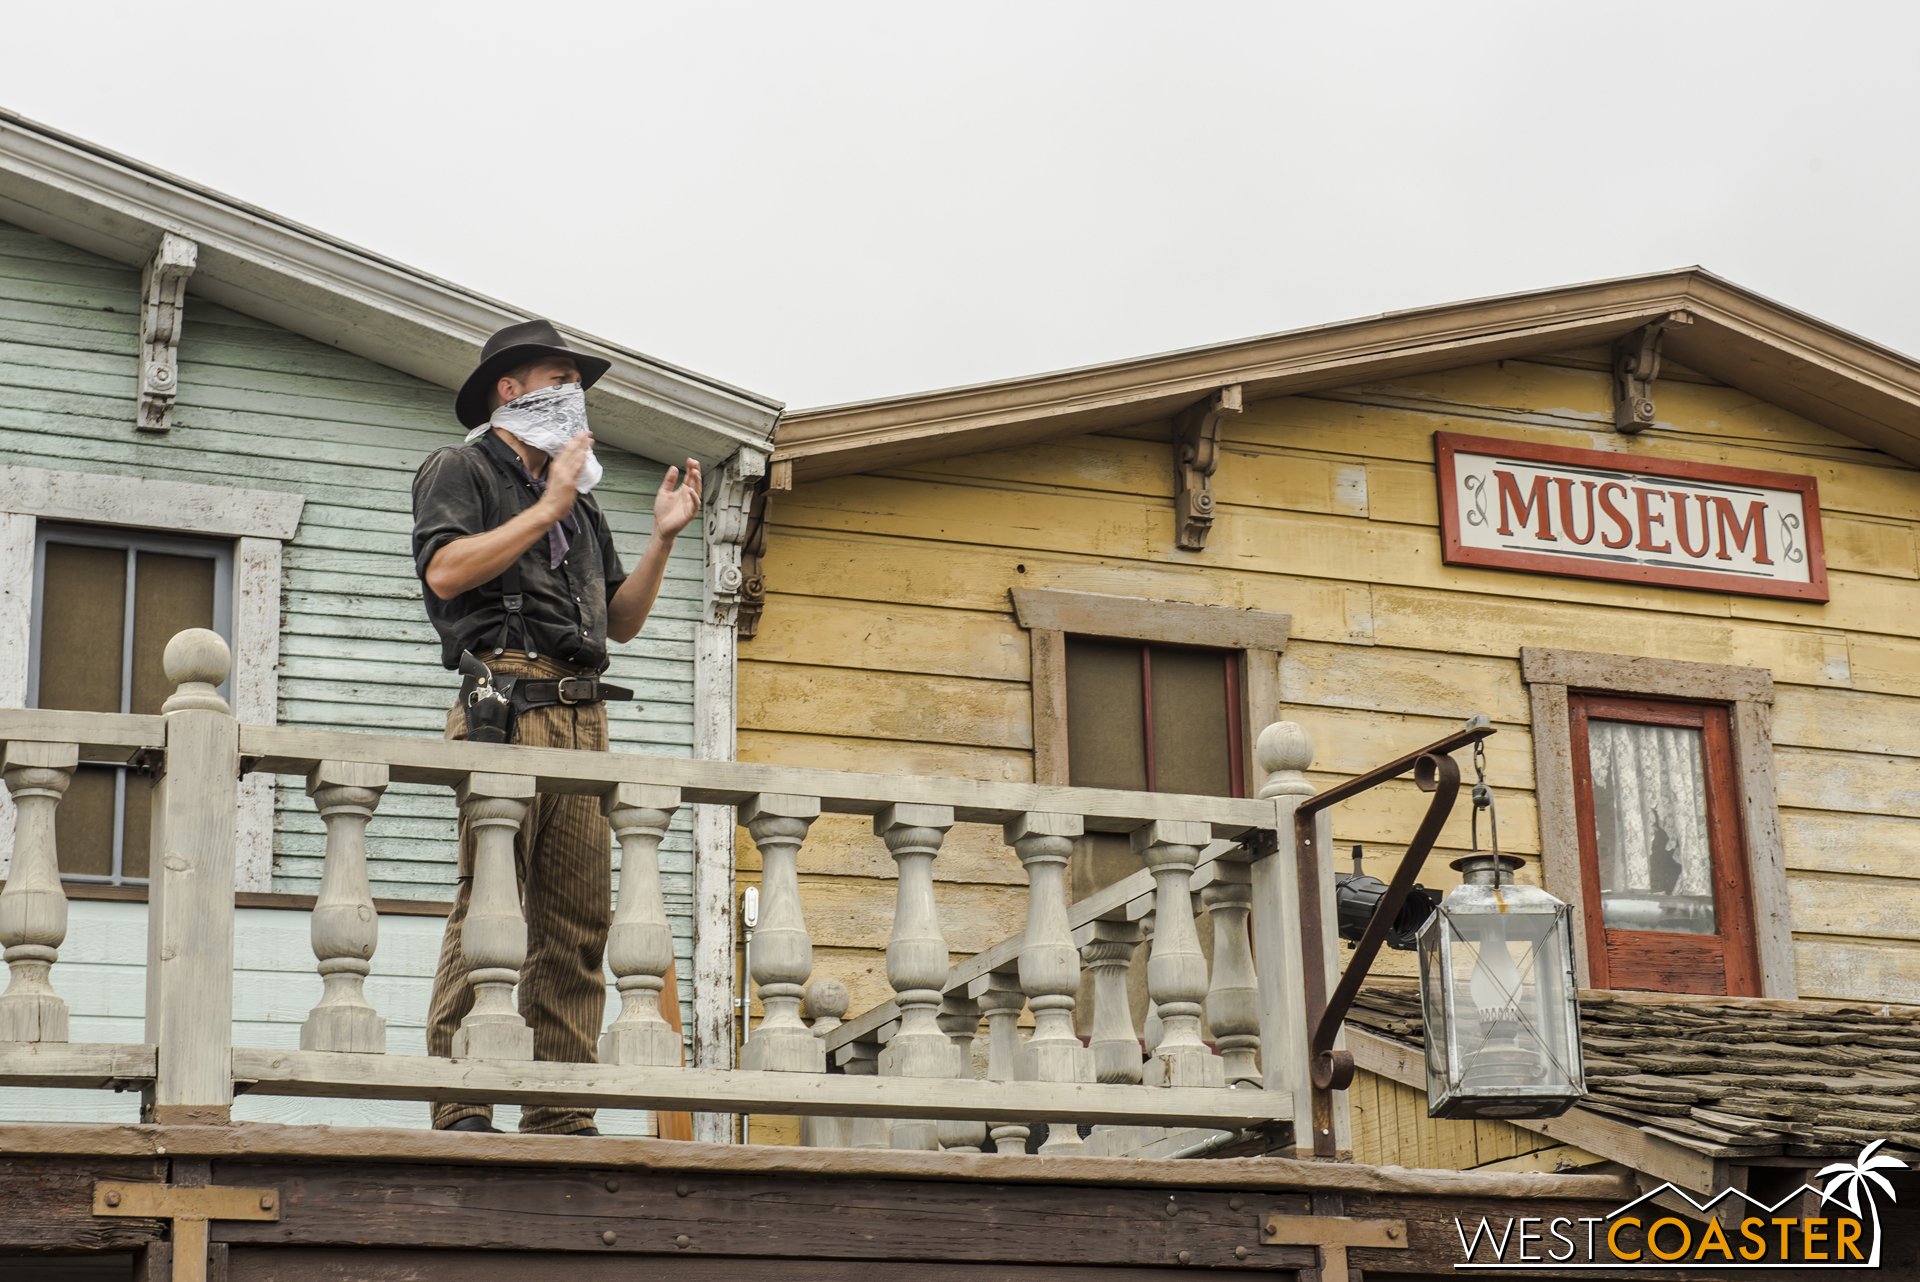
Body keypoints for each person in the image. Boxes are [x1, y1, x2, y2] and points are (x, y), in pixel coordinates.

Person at [411, 319, 701, 1135]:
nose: (577, 400)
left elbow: (621, 621)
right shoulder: (460, 468)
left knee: (578, 920)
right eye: (560, 382)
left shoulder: (583, 502)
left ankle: (560, 1107)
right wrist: (549, 505)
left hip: (583, 716)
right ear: (513, 390)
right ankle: (462, 1102)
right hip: (504, 705)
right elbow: (445, 571)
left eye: (579, 387)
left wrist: (663, 539)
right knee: (491, 905)